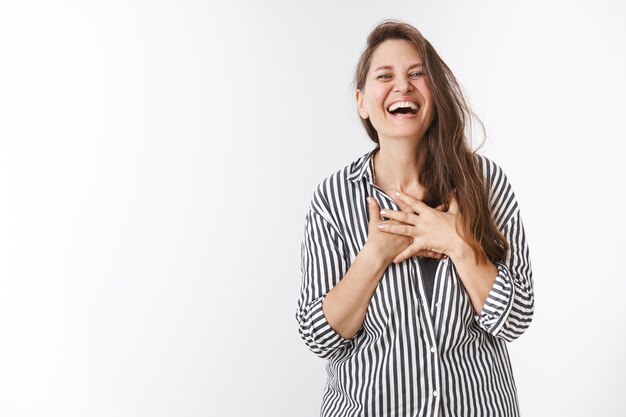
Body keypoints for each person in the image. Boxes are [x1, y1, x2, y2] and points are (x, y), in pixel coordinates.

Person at [295, 19, 534, 417]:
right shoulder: (333, 199)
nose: (402, 87)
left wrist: (457, 245)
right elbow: (319, 338)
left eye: (416, 75)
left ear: (435, 94)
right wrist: (374, 256)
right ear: (362, 102)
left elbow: (515, 318)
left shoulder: (486, 183)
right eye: (385, 76)